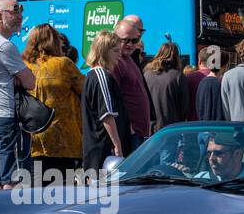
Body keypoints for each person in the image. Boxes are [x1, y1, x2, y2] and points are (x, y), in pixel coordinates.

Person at [0, 0, 36, 189]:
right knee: (13, 182)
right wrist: (19, 77)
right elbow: (30, 82)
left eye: (21, 10)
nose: (19, 15)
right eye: (14, 10)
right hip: (6, 118)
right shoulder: (4, 46)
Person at [23, 24, 84, 178]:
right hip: (64, 139)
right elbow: (85, 89)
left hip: (33, 138)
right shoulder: (63, 64)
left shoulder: (24, 66)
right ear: (54, 42)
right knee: (64, 193)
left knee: (37, 192)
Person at [80, 31, 130, 172]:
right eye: (115, 51)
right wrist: (117, 145)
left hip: (97, 149)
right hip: (103, 149)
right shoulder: (101, 76)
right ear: (104, 51)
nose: (119, 55)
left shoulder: (92, 75)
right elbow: (106, 115)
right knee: (106, 192)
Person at [112, 16, 153, 148]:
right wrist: (128, 127)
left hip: (139, 132)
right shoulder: (116, 62)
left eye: (134, 40)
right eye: (125, 40)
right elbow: (114, 99)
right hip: (130, 133)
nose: (130, 44)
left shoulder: (129, 59)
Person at [144, 41, 190, 133]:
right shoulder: (178, 76)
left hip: (150, 129)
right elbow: (185, 107)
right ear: (176, 57)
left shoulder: (146, 75)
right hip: (172, 129)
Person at [184, 48, 215, 119]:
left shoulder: (188, 78)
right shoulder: (219, 78)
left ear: (199, 61)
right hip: (213, 123)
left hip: (193, 123)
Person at [196, 55, 227, 121]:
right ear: (224, 66)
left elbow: (198, 106)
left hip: (203, 125)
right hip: (217, 127)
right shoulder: (220, 84)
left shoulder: (202, 82)